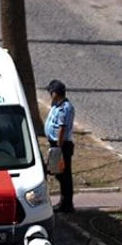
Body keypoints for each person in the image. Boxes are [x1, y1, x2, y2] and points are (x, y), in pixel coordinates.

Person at [45, 80, 76, 213]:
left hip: (62, 145)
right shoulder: (57, 105)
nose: (49, 94)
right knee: (57, 173)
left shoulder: (65, 108)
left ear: (55, 93)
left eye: (51, 92)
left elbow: (62, 129)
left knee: (64, 175)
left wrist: (58, 147)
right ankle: (64, 201)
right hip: (56, 144)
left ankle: (67, 203)